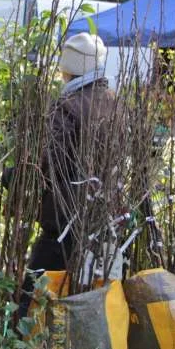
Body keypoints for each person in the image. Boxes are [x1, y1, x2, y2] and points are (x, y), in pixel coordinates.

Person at [21, 33, 114, 307]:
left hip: (64, 220)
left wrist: (18, 175)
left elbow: (50, 161)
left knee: (34, 296)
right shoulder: (116, 104)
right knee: (88, 299)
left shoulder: (68, 106)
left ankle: (25, 348)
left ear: (68, 69)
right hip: (103, 220)